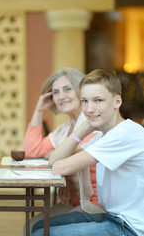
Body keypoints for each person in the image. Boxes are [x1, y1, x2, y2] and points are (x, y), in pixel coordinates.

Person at [32, 69, 144, 236]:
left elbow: (60, 167)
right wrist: (82, 129)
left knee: (41, 233)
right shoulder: (101, 134)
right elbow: (55, 159)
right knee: (37, 228)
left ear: (117, 101)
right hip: (111, 217)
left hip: (129, 227)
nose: (89, 109)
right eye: (84, 101)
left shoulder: (125, 133)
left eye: (98, 100)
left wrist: (85, 126)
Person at [23, 67, 104, 234]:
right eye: (55, 92)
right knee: (30, 226)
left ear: (82, 91)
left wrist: (62, 166)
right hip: (74, 202)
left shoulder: (94, 124)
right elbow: (31, 150)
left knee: (36, 229)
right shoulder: (64, 129)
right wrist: (39, 109)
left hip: (95, 206)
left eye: (67, 89)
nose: (61, 96)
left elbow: (67, 160)